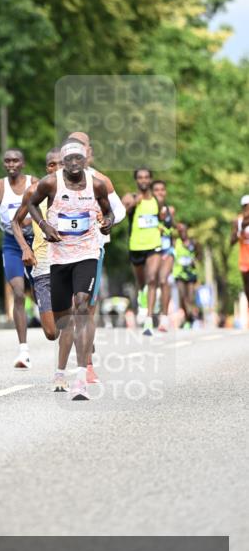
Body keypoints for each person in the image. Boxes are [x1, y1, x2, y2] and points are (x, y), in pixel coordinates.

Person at [27, 138, 114, 400]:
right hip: (59, 257)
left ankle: (81, 377)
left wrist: (107, 223)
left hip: (87, 254)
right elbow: (32, 204)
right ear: (63, 162)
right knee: (64, 321)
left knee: (82, 305)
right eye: (69, 159)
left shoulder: (96, 185)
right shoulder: (50, 183)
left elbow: (109, 213)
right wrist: (45, 226)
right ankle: (60, 372)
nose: (74, 163)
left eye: (79, 158)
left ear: (86, 160)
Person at [68, 130, 126, 381]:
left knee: (86, 305)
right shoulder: (58, 180)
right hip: (63, 249)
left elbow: (119, 211)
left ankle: (87, 363)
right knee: (71, 307)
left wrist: (107, 220)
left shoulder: (100, 180)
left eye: (82, 147)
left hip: (92, 249)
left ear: (89, 152)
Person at [0, 148, 37, 369]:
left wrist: (30, 221)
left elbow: (43, 208)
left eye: (15, 160)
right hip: (11, 244)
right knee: (17, 292)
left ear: (23, 163)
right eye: (7, 161)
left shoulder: (34, 184)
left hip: (35, 242)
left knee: (40, 293)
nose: (11, 164)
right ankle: (23, 350)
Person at [13, 149, 62, 347]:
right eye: (52, 164)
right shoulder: (34, 191)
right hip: (43, 264)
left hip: (71, 262)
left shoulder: (80, 190)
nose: (57, 168)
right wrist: (25, 248)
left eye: (62, 163)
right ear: (47, 167)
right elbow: (15, 222)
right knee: (51, 332)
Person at [122, 168, 162, 336]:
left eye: (146, 177)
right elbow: (120, 215)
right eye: (140, 177)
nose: (144, 180)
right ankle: (141, 295)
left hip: (154, 245)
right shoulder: (129, 197)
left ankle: (149, 319)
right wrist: (133, 204)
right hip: (136, 246)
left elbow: (161, 219)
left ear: (151, 179)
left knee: (152, 279)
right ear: (136, 180)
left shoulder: (157, 200)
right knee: (142, 282)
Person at [152, 180, 176, 331]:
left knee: (163, 280)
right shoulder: (146, 209)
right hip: (151, 250)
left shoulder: (170, 210)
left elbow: (172, 229)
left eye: (162, 189)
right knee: (151, 282)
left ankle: (164, 317)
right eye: (156, 190)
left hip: (167, 250)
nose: (160, 192)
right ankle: (149, 314)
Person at [174, 222, 199, 328]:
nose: (182, 233)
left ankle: (189, 318)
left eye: (184, 231)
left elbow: (199, 254)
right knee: (182, 296)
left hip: (191, 273)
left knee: (190, 297)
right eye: (180, 231)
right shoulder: (176, 242)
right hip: (179, 273)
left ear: (187, 231)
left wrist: (195, 260)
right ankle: (188, 316)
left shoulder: (193, 243)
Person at [230, 194, 249, 302]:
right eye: (245, 206)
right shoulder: (238, 221)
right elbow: (232, 241)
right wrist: (241, 230)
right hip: (244, 259)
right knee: (247, 287)